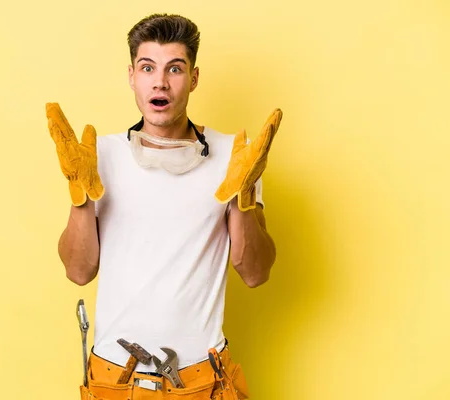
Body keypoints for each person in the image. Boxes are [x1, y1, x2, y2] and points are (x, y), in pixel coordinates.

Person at [46, 13, 282, 400]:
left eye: (175, 68)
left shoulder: (234, 156)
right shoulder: (96, 155)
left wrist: (242, 198)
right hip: (113, 382)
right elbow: (78, 270)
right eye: (147, 67)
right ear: (132, 76)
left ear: (193, 78)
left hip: (201, 383)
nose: (160, 81)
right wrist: (81, 194)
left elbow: (255, 273)